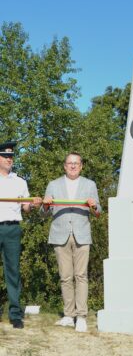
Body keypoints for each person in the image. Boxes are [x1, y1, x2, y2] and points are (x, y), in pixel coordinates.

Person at [42, 152, 101, 332]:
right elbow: (44, 213)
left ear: (81, 166)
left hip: (82, 234)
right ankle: (69, 315)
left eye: (76, 163)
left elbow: (98, 212)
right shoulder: (53, 184)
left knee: (81, 275)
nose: (73, 166)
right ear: (64, 166)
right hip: (60, 234)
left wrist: (93, 206)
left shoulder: (90, 185)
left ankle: (81, 316)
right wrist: (46, 205)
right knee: (65, 276)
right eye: (70, 163)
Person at [0, 141, 42, 329]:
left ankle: (15, 314)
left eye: (11, 156)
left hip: (12, 229)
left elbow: (26, 208)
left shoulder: (20, 181)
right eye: (5, 156)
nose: (9, 159)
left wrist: (33, 204)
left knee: (13, 272)